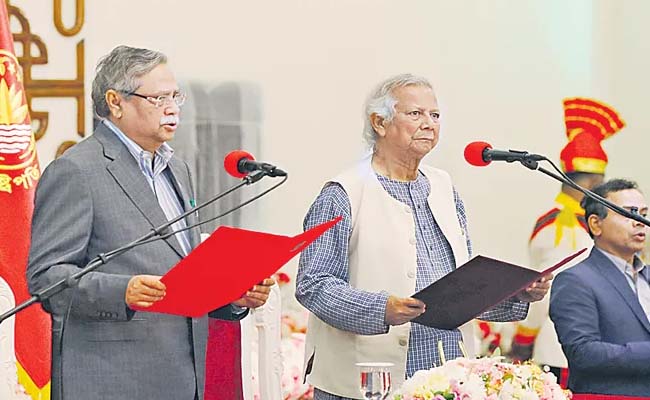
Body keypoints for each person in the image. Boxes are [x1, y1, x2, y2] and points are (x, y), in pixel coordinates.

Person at [26, 45, 273, 400]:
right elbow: (46, 279)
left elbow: (183, 277)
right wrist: (121, 291)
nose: (172, 108)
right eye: (158, 98)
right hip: (112, 380)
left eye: (176, 96)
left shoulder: (178, 169)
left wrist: (233, 295)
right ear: (115, 102)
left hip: (182, 377)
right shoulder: (77, 171)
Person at [295, 73, 552, 400]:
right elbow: (313, 283)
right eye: (415, 114)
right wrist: (381, 308)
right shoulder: (343, 193)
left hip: (447, 377)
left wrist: (518, 294)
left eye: (435, 115)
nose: (429, 124)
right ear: (380, 122)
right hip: (367, 380)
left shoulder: (445, 188)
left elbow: (464, 288)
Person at [509, 98, 625, 385]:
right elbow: (543, 290)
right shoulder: (558, 227)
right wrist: (523, 342)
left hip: (597, 349)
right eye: (600, 182)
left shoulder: (587, 222)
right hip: (562, 353)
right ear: (590, 184)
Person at [550, 179, 650, 397]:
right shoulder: (575, 280)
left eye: (643, 212)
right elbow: (583, 353)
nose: (640, 221)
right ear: (596, 224)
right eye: (629, 213)